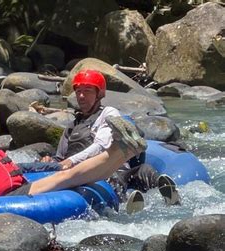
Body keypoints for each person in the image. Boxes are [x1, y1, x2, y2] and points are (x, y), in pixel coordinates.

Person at [40, 70, 179, 212]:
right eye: (78, 91)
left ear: (99, 94)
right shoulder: (72, 126)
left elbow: (101, 146)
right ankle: (126, 204)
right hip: (80, 174)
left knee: (144, 170)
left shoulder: (108, 114)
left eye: (87, 91)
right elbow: (60, 158)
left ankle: (169, 197)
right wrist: (50, 161)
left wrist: (70, 161)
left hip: (110, 169)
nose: (81, 96)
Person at [0, 112, 147, 201]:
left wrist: (54, 166)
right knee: (69, 177)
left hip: (17, 190)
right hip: (4, 201)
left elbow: (21, 169)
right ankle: (117, 150)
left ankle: (123, 152)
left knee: (67, 174)